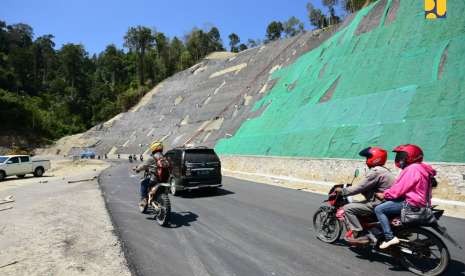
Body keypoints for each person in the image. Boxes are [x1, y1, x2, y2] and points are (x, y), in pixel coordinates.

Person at [374, 144, 436, 249]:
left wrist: (385, 194)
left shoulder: (412, 169)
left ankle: (389, 237)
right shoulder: (422, 168)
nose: (400, 159)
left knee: (379, 209)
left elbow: (399, 189)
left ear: (411, 156)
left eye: (402, 156)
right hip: (421, 202)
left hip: (412, 203)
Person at [335, 147, 395, 243]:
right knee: (358, 204)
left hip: (378, 203)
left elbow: (360, 187)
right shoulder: (384, 170)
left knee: (347, 208)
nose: (366, 161)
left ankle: (360, 234)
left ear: (375, 158)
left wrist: (343, 191)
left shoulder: (375, 172)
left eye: (367, 158)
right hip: (386, 201)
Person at [133, 141, 165, 210]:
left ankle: (144, 200)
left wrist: (137, 169)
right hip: (164, 179)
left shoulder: (152, 158)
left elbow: (143, 166)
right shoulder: (164, 157)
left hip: (154, 179)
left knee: (143, 183)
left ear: (153, 148)